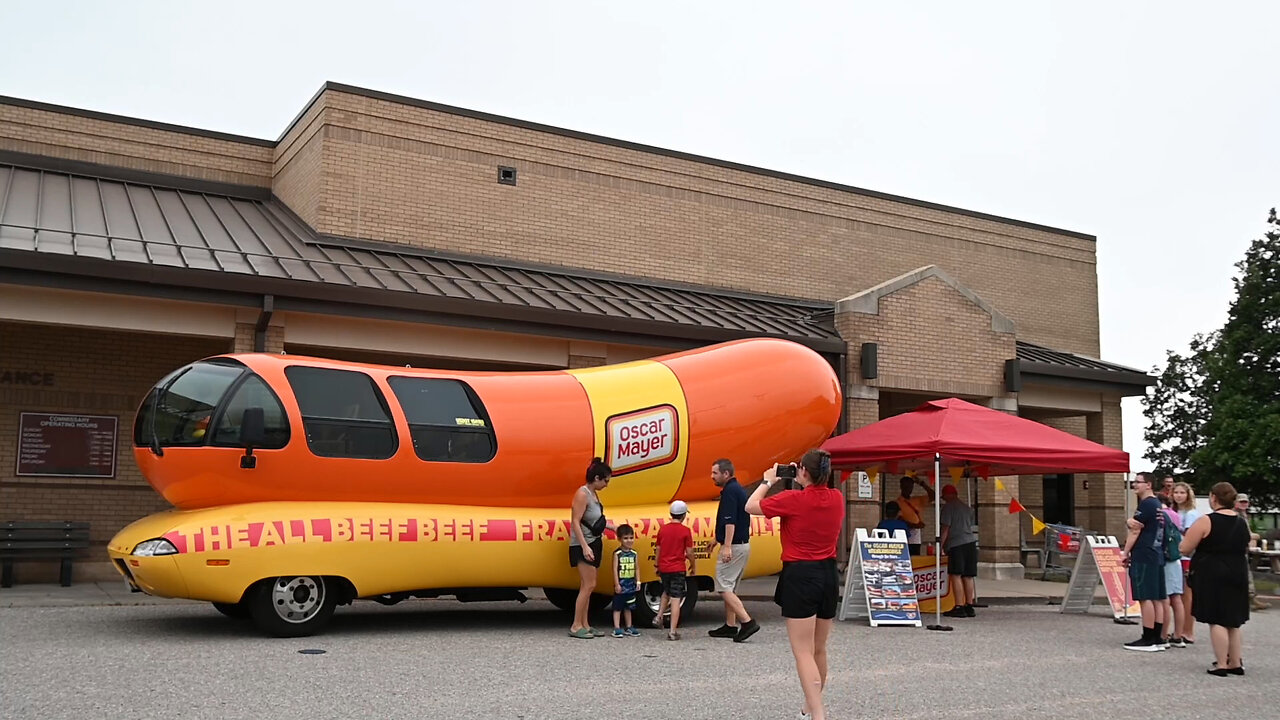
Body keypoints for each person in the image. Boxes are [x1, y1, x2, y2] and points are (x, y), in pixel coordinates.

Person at [746, 449, 844, 720]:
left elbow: (750, 506)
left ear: (802, 471)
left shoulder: (792, 499)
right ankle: (810, 706)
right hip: (828, 573)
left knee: (802, 652)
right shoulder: (837, 498)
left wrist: (768, 481)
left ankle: (819, 715)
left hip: (800, 573)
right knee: (819, 648)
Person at [1181, 482, 1251, 676]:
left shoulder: (1206, 520)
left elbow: (1185, 547)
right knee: (1233, 620)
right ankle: (1235, 662)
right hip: (1238, 570)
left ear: (1213, 498)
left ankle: (1221, 663)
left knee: (1217, 618)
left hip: (1213, 571)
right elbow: (1245, 546)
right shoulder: (1241, 522)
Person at [707, 458, 760, 642]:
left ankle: (747, 622)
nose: (712, 476)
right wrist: (717, 539)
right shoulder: (736, 490)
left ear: (726, 474)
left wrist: (726, 546)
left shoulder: (730, 492)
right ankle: (730, 626)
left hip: (735, 546)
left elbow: (730, 520)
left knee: (723, 587)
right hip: (742, 544)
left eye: (715, 473)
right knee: (730, 587)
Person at [1120, 471, 1168, 651]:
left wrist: (1125, 552)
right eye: (1134, 482)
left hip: (1144, 553)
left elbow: (1135, 530)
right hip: (1156, 553)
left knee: (1145, 596)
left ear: (1148, 484)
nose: (1134, 485)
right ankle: (1159, 637)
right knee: (1157, 597)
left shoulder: (1146, 505)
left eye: (1138, 482)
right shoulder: (1158, 505)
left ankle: (1148, 637)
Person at [567, 457, 612, 639]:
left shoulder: (594, 494)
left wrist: (612, 527)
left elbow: (593, 519)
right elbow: (576, 522)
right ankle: (576, 625)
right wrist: (585, 546)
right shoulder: (582, 494)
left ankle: (585, 623)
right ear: (596, 478)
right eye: (605, 480)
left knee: (589, 585)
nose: (606, 484)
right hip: (583, 543)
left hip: (594, 541)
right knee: (588, 585)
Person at [654, 499, 695, 641]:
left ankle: (659, 615)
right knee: (676, 599)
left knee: (666, 591)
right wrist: (693, 565)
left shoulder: (663, 529)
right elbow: (689, 552)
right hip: (678, 568)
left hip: (664, 567)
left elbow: (658, 548)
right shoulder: (685, 531)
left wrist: (656, 564)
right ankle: (672, 631)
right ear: (683, 516)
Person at [939, 484, 978, 618]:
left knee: (956, 574)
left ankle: (959, 606)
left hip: (957, 544)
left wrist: (940, 545)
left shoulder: (948, 507)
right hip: (971, 542)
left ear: (948, 495)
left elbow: (946, 528)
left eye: (944, 496)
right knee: (968, 575)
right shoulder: (967, 508)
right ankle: (969, 605)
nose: (943, 499)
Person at [1172, 481, 1203, 645]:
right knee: (1178, 594)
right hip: (1175, 556)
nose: (1178, 495)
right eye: (1176, 492)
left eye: (1182, 493)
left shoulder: (1191, 514)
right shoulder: (1174, 511)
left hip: (1186, 557)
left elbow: (1189, 535)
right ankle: (1180, 628)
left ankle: (1188, 630)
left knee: (1187, 595)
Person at [1235, 493, 1270, 611]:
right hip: (1236, 550)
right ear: (1235, 502)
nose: (1243, 504)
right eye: (1241, 502)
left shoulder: (1244, 515)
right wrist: (1256, 536)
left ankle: (1249, 599)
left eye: (1245, 502)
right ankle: (1249, 600)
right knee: (1244, 575)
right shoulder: (1236, 516)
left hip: (1242, 549)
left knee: (1246, 574)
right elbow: (1245, 534)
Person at [1159, 496, 1186, 648]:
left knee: (1165, 598)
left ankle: (1163, 635)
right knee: (1177, 598)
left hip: (1165, 559)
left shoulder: (1161, 515)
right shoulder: (1175, 515)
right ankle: (1178, 635)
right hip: (1176, 558)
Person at [611, 523, 640, 638]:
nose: (629, 541)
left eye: (631, 538)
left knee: (629, 607)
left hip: (630, 585)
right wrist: (617, 584)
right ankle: (617, 627)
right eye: (626, 538)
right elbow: (614, 569)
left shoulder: (634, 554)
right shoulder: (617, 554)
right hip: (621, 585)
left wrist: (638, 581)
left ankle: (629, 626)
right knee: (618, 607)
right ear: (619, 539)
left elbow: (637, 567)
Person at [896, 474, 934, 556]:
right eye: (906, 486)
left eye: (910, 486)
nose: (908, 489)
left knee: (916, 559)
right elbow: (899, 519)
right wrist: (915, 525)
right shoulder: (897, 502)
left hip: (916, 538)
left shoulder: (917, 500)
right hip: (903, 537)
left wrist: (922, 483)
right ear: (901, 486)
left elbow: (933, 496)